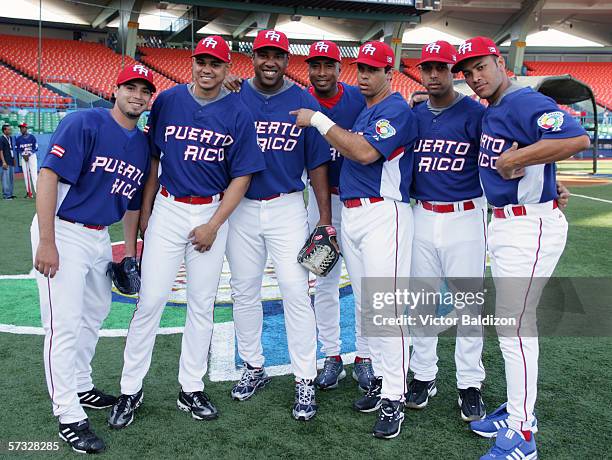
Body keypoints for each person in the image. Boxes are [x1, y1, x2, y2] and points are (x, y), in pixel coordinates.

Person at [107, 36, 265, 428]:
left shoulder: (238, 112)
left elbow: (242, 176)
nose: (207, 69)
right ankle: (130, 389)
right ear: (192, 63)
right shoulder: (168, 101)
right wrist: (146, 213)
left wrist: (213, 225)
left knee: (201, 304)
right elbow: (154, 159)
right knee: (150, 301)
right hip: (168, 207)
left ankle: (190, 386)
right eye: (201, 61)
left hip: (211, 210)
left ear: (228, 69)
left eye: (216, 63)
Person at [452, 36, 590, 459]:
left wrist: (518, 161)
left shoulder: (522, 101)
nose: (475, 77)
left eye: (481, 67)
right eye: (469, 71)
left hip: (529, 226)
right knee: (510, 325)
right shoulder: (498, 107)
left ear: (499, 61)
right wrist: (543, 174)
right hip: (511, 223)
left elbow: (576, 138)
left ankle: (523, 434)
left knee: (514, 328)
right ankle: (516, 411)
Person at [292, 40, 418, 439]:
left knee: (385, 306)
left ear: (388, 73)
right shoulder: (368, 109)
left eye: (372, 70)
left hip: (384, 212)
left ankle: (395, 398)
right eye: (360, 69)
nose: (364, 76)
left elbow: (364, 153)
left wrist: (317, 121)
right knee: (366, 303)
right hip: (354, 213)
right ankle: (382, 381)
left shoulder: (394, 107)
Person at [31, 64, 155, 454]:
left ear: (150, 99)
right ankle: (67, 412)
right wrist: (47, 241)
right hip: (63, 229)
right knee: (63, 325)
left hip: (99, 235)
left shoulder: (142, 144)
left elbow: (133, 204)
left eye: (144, 90)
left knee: (95, 314)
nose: (137, 95)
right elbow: (49, 176)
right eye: (130, 87)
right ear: (115, 90)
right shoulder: (84, 122)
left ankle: (81, 384)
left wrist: (129, 254)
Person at [225, 29, 331, 421]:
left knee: (295, 291)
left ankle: (305, 376)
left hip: (288, 205)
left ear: (288, 61)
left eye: (278, 56)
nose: (270, 61)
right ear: (253, 57)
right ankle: (254, 366)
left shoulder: (304, 101)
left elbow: (317, 162)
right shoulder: (234, 95)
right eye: (263, 54)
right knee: (244, 291)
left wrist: (323, 217)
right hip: (241, 207)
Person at [406, 41, 487, 422]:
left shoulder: (474, 112)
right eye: (428, 68)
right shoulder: (416, 114)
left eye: (442, 67)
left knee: (469, 305)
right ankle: (423, 375)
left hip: (465, 215)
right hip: (421, 215)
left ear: (454, 71)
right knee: (421, 300)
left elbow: (501, 155)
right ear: (420, 72)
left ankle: (470, 383)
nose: (434, 74)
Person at [304, 40, 373, 391]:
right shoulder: (299, 101)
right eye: (315, 65)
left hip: (359, 204)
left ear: (339, 67)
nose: (321, 72)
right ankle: (331, 356)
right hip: (319, 204)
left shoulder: (360, 99)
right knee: (325, 282)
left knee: (363, 283)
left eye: (327, 64)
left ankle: (364, 355)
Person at [16, 122, 39, 198]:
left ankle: (37, 192)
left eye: (23, 127)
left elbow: (35, 148)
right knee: (26, 175)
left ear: (26, 128)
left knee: (34, 174)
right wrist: (23, 154)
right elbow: (18, 149)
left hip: (32, 156)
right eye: (20, 128)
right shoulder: (18, 139)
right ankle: (29, 193)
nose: (21, 129)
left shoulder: (32, 137)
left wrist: (29, 154)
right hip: (23, 157)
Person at [1, 123, 16, 200]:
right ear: (4, 130)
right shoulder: (1, 139)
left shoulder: (10, 138)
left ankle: (10, 193)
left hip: (10, 161)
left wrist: (13, 159)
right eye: (8, 129)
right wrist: (3, 162)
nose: (10, 130)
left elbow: (11, 150)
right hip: (5, 162)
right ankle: (6, 195)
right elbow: (0, 151)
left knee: (11, 179)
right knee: (5, 179)